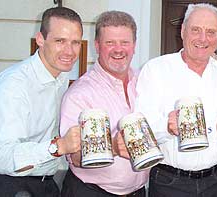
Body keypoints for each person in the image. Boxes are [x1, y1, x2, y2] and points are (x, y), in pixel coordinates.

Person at [0, 7, 83, 196]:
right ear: (40, 40)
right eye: (60, 41)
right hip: (7, 186)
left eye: (75, 42)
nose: (69, 51)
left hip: (44, 183)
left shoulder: (60, 77)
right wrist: (59, 147)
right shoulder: (14, 84)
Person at [135, 3, 217, 196]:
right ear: (183, 31)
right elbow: (140, 129)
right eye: (196, 30)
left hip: (215, 181)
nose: (203, 38)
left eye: (211, 32)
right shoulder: (156, 70)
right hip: (170, 182)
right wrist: (168, 127)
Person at [59, 11, 147, 196]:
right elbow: (75, 157)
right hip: (91, 192)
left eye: (124, 42)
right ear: (97, 46)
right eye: (110, 43)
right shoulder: (79, 94)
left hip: (138, 192)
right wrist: (112, 147)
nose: (118, 49)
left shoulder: (145, 82)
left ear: (134, 45)